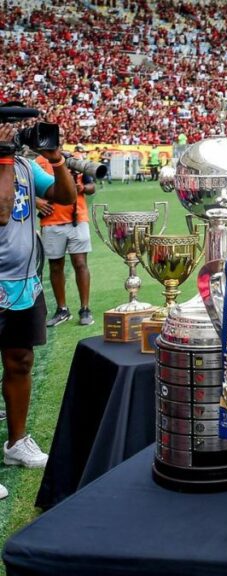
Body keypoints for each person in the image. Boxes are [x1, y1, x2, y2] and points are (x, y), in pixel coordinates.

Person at [0, 117, 77, 499]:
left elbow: (65, 198)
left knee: (20, 361)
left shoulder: (26, 166)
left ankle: (17, 443)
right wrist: (1, 160)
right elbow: (1, 211)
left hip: (24, 282)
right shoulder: (6, 166)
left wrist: (57, 160)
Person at [35, 148, 96, 326]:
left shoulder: (75, 159)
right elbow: (28, 188)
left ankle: (85, 308)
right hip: (51, 220)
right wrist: (37, 202)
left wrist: (83, 187)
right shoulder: (38, 162)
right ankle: (62, 309)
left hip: (77, 218)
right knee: (55, 266)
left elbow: (92, 186)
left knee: (80, 263)